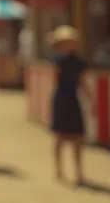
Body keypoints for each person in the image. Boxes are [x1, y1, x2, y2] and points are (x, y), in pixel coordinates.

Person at [47, 25, 93, 184]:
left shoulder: (79, 62)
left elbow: (83, 83)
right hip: (61, 99)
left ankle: (79, 172)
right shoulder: (57, 61)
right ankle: (58, 169)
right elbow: (54, 82)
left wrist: (91, 101)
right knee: (59, 136)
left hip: (73, 98)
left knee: (78, 137)